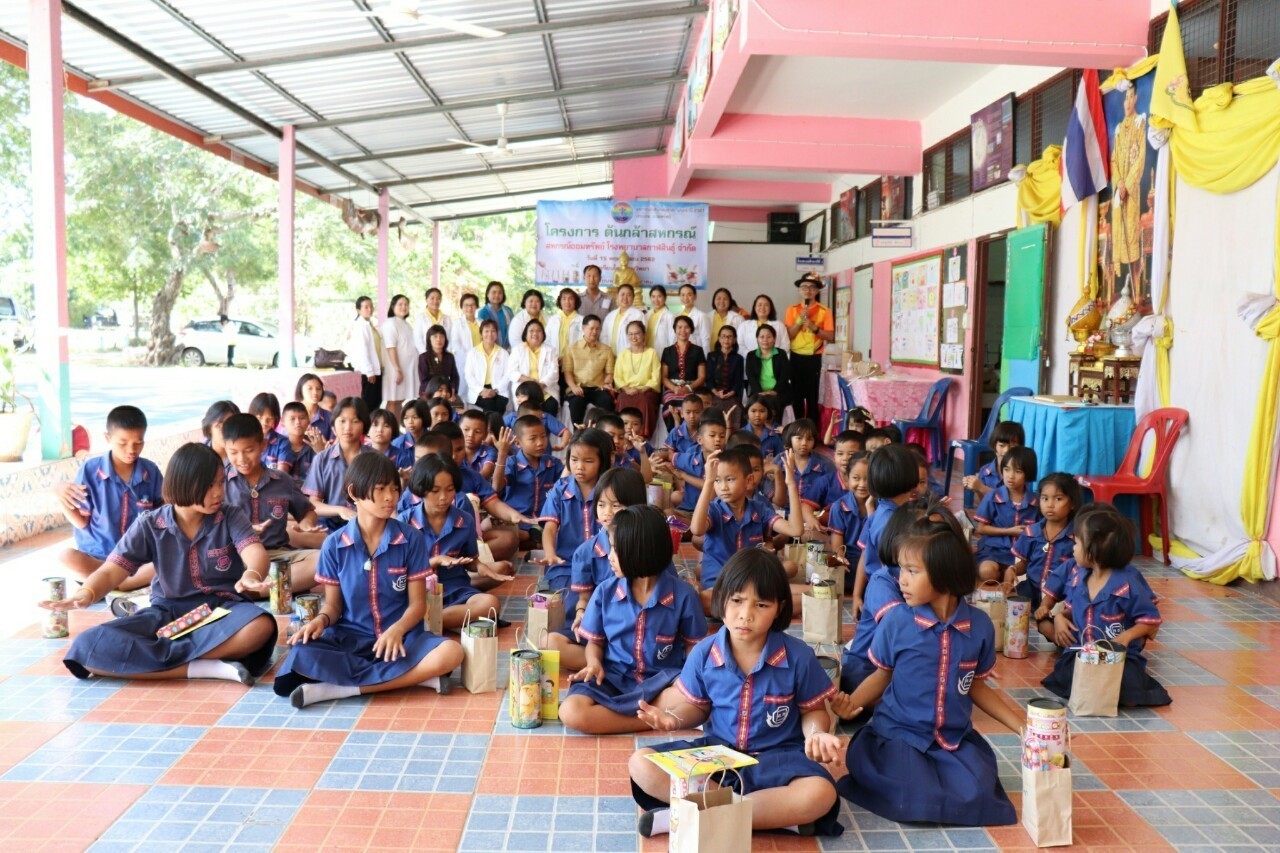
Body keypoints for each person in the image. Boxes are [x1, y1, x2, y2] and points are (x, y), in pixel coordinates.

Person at [628, 548, 844, 839]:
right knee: (641, 763)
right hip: (716, 757)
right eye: (737, 601)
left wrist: (816, 734)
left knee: (820, 792)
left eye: (761, 605)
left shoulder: (799, 656)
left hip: (779, 759)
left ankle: (691, 814)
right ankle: (768, 817)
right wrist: (674, 719)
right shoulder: (704, 653)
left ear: (779, 609)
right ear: (721, 599)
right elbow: (699, 709)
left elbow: (812, 710)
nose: (746, 615)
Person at [831, 521, 1022, 827]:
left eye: (912, 571)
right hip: (899, 735)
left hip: (952, 738)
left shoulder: (979, 627)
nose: (901, 580)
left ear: (945, 572)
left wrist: (1024, 728)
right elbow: (881, 675)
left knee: (980, 789)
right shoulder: (896, 621)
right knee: (911, 794)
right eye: (901, 569)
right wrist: (851, 704)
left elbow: (976, 686)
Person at [46, 443, 276, 684]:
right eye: (209, 485)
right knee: (86, 647)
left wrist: (252, 574)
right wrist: (87, 592)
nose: (218, 492)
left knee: (259, 626)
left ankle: (164, 658)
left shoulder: (230, 516)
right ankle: (206, 666)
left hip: (222, 611)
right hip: (167, 615)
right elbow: (111, 571)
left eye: (221, 482)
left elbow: (254, 551)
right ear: (184, 483)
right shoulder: (150, 525)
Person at [275, 453, 464, 707]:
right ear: (354, 492)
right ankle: (419, 679)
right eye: (381, 489)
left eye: (394, 489)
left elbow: (418, 605)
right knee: (301, 652)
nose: (390, 497)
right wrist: (320, 621)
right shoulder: (334, 545)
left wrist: (397, 630)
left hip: (402, 639)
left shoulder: (411, 539)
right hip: (351, 639)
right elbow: (333, 607)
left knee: (452, 652)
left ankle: (340, 689)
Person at [560, 505, 707, 734]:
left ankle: (618, 717)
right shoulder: (604, 592)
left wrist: (690, 682)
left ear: (641, 551)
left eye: (615, 550)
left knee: (694, 693)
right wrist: (594, 663)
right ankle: (650, 720)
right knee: (571, 711)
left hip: (662, 681)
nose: (609, 557)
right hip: (613, 677)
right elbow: (595, 643)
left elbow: (693, 648)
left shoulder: (683, 595)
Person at [1042, 502, 1170, 707]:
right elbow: (1074, 609)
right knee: (1065, 672)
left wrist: (1126, 637)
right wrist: (1060, 617)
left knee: (1128, 682)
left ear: (1095, 550)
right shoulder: (1079, 578)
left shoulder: (1126, 583)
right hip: (1083, 651)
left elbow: (1150, 620)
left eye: (1077, 543)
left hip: (1118, 657)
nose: (1073, 548)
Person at [56, 405, 164, 593]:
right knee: (67, 557)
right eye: (123, 443)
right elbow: (81, 522)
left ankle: (116, 584)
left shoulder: (151, 471)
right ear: (107, 438)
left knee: (172, 555)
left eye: (138, 443)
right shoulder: (90, 471)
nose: (131, 450)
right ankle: (119, 581)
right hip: (98, 559)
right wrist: (60, 497)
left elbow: (164, 514)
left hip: (139, 561)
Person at [397, 455, 502, 630]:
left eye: (450, 489)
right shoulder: (404, 523)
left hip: (456, 590)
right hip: (417, 593)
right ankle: (432, 619)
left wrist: (479, 566)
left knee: (490, 603)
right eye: (435, 491)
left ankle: (430, 621)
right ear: (421, 489)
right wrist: (435, 561)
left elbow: (470, 560)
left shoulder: (465, 521)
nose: (444, 497)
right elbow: (398, 572)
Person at [691, 447, 802, 610]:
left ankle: (754, 606)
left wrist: (791, 484)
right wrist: (708, 482)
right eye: (717, 480)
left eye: (730, 479)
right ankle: (763, 607)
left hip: (752, 582)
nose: (723, 487)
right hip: (720, 585)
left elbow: (796, 530)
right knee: (704, 601)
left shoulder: (760, 509)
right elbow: (696, 529)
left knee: (813, 593)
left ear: (749, 480)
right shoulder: (715, 510)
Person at [221, 414, 323, 590]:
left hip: (277, 556)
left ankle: (249, 590)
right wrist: (244, 531)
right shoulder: (219, 482)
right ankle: (265, 587)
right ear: (225, 449)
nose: (242, 459)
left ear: (263, 445)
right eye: (234, 452)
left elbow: (308, 511)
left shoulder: (282, 480)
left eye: (249, 450)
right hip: (235, 558)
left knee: (323, 559)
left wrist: (306, 524)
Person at [562, 468, 651, 667]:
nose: (607, 512)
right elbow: (584, 598)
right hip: (601, 627)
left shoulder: (649, 546)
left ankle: (613, 663)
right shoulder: (585, 552)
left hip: (643, 627)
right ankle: (607, 662)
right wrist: (581, 612)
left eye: (616, 505)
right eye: (601, 504)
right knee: (551, 643)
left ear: (636, 506)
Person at [540, 429, 614, 600]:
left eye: (588, 461)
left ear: (602, 461)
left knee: (607, 600)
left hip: (607, 565)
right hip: (567, 566)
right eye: (574, 460)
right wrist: (550, 553)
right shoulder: (560, 489)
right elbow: (550, 528)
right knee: (569, 603)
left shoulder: (612, 489)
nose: (579, 467)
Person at [850, 445, 920, 620]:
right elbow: (902, 569)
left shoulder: (880, 511)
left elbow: (865, 554)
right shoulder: (891, 522)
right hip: (890, 595)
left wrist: (857, 595)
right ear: (911, 476)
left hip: (881, 593)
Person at [1014, 472, 1080, 621]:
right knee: (1012, 601)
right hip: (1032, 587)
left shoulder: (1077, 538)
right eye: (1045, 498)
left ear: (1072, 503)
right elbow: (1024, 564)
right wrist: (1012, 570)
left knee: (1059, 617)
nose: (1050, 505)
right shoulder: (1031, 532)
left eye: (1058, 499)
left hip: (1061, 594)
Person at [303, 396, 376, 530]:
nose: (347, 427)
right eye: (342, 421)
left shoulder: (375, 459)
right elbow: (314, 504)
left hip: (368, 525)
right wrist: (340, 510)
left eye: (355, 421)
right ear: (333, 426)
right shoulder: (322, 459)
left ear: (364, 425)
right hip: (329, 527)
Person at [973, 446, 1040, 583]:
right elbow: (981, 528)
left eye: (1018, 471)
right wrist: (1010, 531)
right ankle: (1002, 573)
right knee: (987, 572)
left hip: (1023, 555)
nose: (1010, 476)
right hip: (994, 550)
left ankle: (1007, 573)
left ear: (1028, 473)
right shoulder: (993, 496)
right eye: (1006, 469)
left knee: (1032, 574)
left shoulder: (1036, 502)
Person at [492, 415, 565, 540]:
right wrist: (502, 454)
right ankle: (536, 541)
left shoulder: (553, 464)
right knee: (513, 535)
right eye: (533, 438)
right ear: (517, 443)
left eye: (543, 436)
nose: (540, 442)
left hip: (545, 522)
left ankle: (537, 540)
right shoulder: (512, 463)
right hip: (517, 522)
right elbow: (497, 486)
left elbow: (566, 484)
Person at [774, 419, 841, 535]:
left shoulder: (825, 465)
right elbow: (772, 497)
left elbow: (831, 497)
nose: (804, 443)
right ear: (790, 439)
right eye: (799, 438)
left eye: (809, 439)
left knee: (812, 539)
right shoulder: (779, 462)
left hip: (813, 519)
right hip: (783, 517)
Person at [784, 274, 834, 422]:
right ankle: (797, 428)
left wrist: (814, 328)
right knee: (796, 396)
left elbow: (830, 336)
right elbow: (789, 335)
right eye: (804, 287)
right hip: (796, 356)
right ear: (799, 290)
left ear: (817, 291)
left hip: (814, 357)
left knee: (812, 396)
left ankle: (812, 429)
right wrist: (799, 320)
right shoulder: (792, 310)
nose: (808, 290)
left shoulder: (825, 311)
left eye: (812, 287)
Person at [669, 411, 727, 519]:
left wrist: (684, 476)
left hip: (712, 514)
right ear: (700, 440)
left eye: (722, 436)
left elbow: (712, 493)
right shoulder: (691, 458)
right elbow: (671, 457)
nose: (718, 439)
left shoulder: (726, 464)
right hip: (688, 510)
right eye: (712, 435)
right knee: (667, 514)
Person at [562, 315, 616, 426]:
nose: (595, 332)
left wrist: (606, 383)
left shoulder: (607, 350)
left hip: (598, 389)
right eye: (591, 328)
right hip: (579, 388)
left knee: (607, 401)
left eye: (597, 329)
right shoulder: (571, 349)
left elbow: (609, 373)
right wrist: (573, 387)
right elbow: (567, 372)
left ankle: (604, 432)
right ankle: (578, 433)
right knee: (576, 403)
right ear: (583, 328)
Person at [614, 320, 661, 437]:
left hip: (646, 391)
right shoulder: (623, 354)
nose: (633, 337)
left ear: (643, 334)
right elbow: (618, 377)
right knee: (622, 398)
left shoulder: (652, 353)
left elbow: (655, 377)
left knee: (644, 400)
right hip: (627, 390)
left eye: (637, 333)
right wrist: (627, 389)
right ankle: (622, 433)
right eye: (630, 334)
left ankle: (642, 435)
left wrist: (642, 390)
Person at [828, 446, 871, 571]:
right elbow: (838, 547)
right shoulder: (839, 507)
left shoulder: (881, 506)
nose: (862, 485)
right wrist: (840, 559)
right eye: (856, 478)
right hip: (849, 561)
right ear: (847, 478)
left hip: (872, 561)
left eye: (868, 479)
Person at [660, 315, 706, 430]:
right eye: (679, 327)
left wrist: (689, 388)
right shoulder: (667, 351)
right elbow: (664, 377)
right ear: (674, 329)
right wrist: (674, 388)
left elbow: (702, 376)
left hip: (692, 388)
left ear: (691, 330)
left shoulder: (698, 350)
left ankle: (691, 433)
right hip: (672, 389)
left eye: (686, 327)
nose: (683, 330)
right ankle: (674, 434)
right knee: (671, 401)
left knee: (691, 403)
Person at [506, 319, 560, 412]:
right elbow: (511, 372)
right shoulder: (518, 350)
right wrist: (532, 383)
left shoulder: (551, 351)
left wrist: (540, 385)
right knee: (527, 413)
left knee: (550, 407)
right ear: (525, 334)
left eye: (538, 331)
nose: (535, 333)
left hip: (546, 390)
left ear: (543, 334)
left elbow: (554, 373)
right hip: (524, 390)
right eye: (531, 331)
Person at [963, 421, 1024, 499]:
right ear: (994, 446)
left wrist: (981, 487)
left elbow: (1009, 500)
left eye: (1012, 446)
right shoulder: (985, 471)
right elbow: (984, 502)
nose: (1006, 450)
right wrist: (976, 489)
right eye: (1002, 445)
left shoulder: (1021, 472)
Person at [381, 293, 419, 418]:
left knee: (400, 400)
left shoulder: (406, 324)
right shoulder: (390, 323)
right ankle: (390, 426)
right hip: (395, 369)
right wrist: (397, 369)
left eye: (406, 304)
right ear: (393, 307)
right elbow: (390, 347)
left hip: (406, 369)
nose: (404, 307)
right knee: (393, 400)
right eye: (400, 304)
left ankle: (395, 427)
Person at [463, 319, 511, 415]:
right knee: (489, 404)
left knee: (500, 404)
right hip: (478, 390)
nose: (490, 334)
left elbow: (507, 375)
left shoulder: (503, 353)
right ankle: (492, 424)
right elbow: (469, 376)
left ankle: (492, 424)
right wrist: (481, 391)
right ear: (481, 334)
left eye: (493, 331)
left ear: (496, 334)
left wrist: (496, 390)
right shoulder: (472, 353)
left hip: (498, 389)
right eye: (486, 331)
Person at [745, 325, 792, 420]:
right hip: (758, 392)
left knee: (774, 402)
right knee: (757, 403)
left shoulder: (781, 354)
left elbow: (785, 376)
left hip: (778, 392)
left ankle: (775, 427)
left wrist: (774, 391)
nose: (765, 340)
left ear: (774, 339)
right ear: (757, 339)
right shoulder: (751, 356)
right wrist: (759, 393)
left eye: (768, 337)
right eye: (762, 337)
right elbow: (751, 377)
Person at [347, 296, 384, 412]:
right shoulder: (360, 326)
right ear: (358, 310)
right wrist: (370, 371)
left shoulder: (369, 324)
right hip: (368, 372)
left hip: (375, 369)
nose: (370, 309)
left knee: (376, 402)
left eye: (371, 306)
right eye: (366, 307)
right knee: (370, 403)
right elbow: (363, 350)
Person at [246, 393, 295, 475]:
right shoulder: (243, 440)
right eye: (260, 418)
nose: (264, 422)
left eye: (269, 418)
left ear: (276, 418)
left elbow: (281, 475)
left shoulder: (282, 443)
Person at [706, 324, 745, 426]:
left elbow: (739, 381)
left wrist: (730, 393)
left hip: (731, 395)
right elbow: (708, 379)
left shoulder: (738, 358)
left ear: (734, 340)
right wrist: (716, 393)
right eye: (723, 336)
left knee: (736, 410)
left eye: (729, 337)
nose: (726, 339)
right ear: (719, 339)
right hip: (714, 394)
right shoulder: (711, 356)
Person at [450, 293, 482, 402]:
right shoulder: (457, 324)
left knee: (477, 389)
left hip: (480, 361)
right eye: (466, 305)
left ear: (476, 306)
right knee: (462, 390)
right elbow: (455, 343)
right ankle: (462, 412)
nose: (469, 308)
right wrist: (469, 356)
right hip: (464, 361)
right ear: (462, 307)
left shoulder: (481, 322)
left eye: (472, 305)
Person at [417, 324, 460, 403]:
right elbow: (423, 381)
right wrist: (438, 392)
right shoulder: (423, 357)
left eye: (441, 336)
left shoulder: (449, 357)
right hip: (428, 393)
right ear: (429, 339)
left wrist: (452, 391)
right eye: (435, 336)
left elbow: (455, 377)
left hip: (446, 393)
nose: (439, 339)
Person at [281, 401, 317, 487]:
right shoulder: (278, 446)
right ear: (283, 423)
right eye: (292, 419)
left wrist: (321, 452)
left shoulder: (315, 444)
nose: (297, 422)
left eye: (302, 418)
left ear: (308, 421)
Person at [603, 284, 644, 355]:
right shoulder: (610, 315)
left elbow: (642, 338)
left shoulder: (638, 315)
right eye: (622, 294)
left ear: (633, 297)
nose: (625, 298)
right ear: (617, 296)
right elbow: (604, 336)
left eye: (629, 295)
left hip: (629, 356)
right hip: (610, 355)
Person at [294, 372, 334, 442]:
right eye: (310, 388)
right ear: (300, 390)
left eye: (318, 389)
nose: (315, 392)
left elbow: (334, 444)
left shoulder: (329, 417)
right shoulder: (290, 413)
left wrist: (323, 445)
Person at [393, 399, 431, 470]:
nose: (410, 422)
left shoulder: (434, 440)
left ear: (424, 417)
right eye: (406, 418)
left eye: (415, 417)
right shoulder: (397, 444)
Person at [460, 409, 497, 478]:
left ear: (485, 435)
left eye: (477, 432)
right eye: (466, 429)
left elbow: (484, 475)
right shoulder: (452, 450)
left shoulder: (489, 452)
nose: (470, 435)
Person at [413, 286, 449, 353]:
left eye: (438, 298)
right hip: (426, 355)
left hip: (443, 355)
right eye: (432, 298)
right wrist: (427, 354)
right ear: (426, 300)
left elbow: (449, 338)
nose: (435, 301)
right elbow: (418, 340)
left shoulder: (447, 319)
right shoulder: (420, 318)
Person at [675, 284, 710, 352]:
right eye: (683, 295)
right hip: (680, 352)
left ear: (695, 296)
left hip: (696, 353)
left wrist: (705, 357)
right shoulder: (676, 316)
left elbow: (705, 340)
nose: (686, 298)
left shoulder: (701, 316)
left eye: (689, 295)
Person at [477, 280, 513, 348]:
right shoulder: (482, 313)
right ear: (487, 294)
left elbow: (513, 330)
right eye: (494, 292)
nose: (497, 295)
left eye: (500, 293)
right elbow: (482, 335)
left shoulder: (508, 311)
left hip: (508, 349)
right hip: (490, 349)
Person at [644, 284, 676, 353]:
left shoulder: (670, 316)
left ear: (665, 298)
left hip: (662, 353)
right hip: (647, 353)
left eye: (659, 296)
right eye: (653, 296)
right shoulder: (647, 315)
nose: (656, 300)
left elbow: (673, 339)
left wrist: (670, 356)